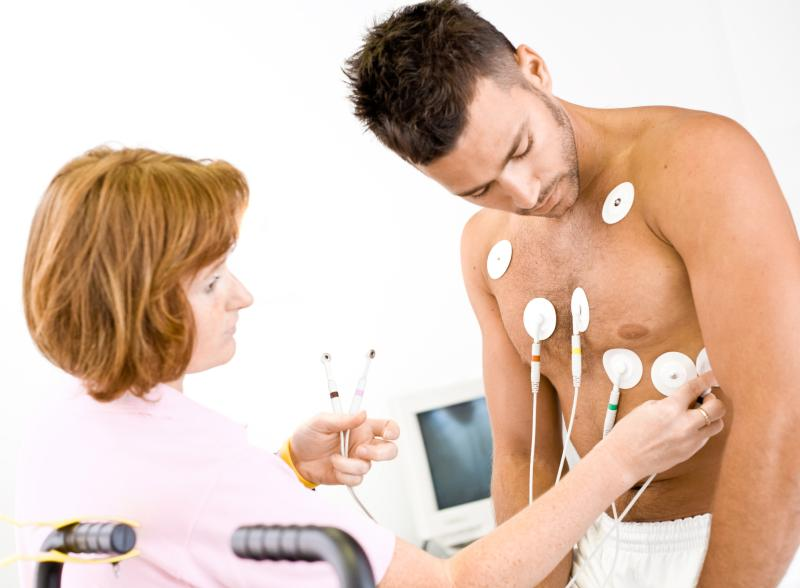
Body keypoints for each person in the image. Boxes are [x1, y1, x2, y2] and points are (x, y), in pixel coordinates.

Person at [18, 146, 724, 587]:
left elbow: (177, 538)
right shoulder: (209, 474)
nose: (243, 296)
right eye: (210, 283)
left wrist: (289, 469)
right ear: (138, 303)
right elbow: (453, 586)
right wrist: (619, 461)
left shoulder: (69, 421)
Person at [343, 1, 800, 587]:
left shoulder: (694, 161)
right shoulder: (484, 247)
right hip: (599, 553)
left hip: (747, 544)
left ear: (532, 68)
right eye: (481, 188)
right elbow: (521, 453)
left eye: (520, 148)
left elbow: (780, 416)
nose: (525, 194)